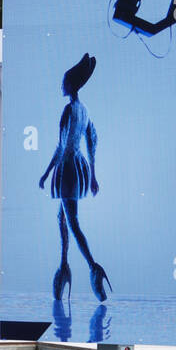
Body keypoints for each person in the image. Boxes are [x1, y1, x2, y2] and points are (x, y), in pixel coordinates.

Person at [38, 53, 110, 302]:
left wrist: (47, 173)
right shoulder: (86, 110)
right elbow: (92, 140)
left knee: (73, 223)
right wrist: (92, 173)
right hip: (77, 167)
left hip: (68, 167)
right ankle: (64, 266)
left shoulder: (69, 110)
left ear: (71, 86)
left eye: (63, 82)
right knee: (62, 216)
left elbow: (61, 147)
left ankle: (93, 268)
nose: (61, 86)